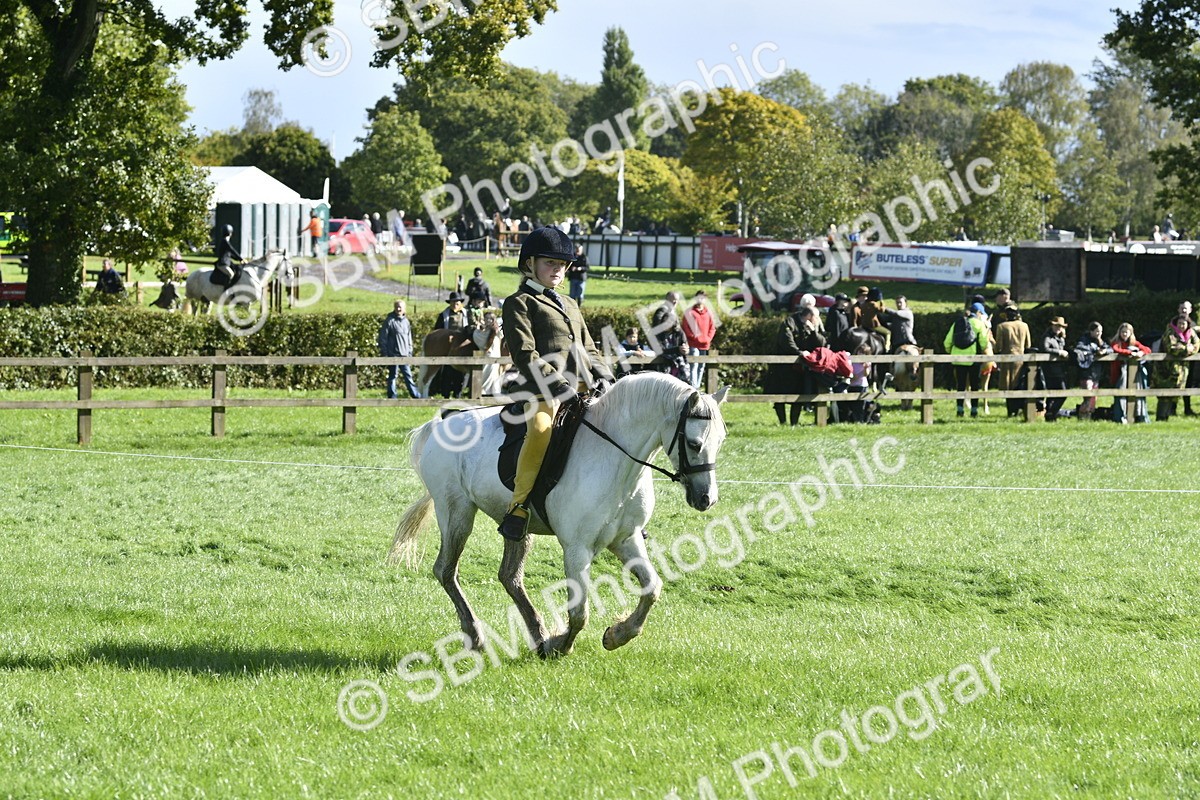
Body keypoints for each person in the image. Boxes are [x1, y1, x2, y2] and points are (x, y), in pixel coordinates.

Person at [497, 227, 615, 541]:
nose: (558, 270)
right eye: (550, 263)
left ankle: (619, 508)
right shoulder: (519, 302)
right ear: (530, 263)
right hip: (541, 389)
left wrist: (607, 377)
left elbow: (589, 349)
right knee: (540, 430)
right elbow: (525, 354)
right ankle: (518, 506)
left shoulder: (570, 303)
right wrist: (561, 386)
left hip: (583, 388)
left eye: (562, 264)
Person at [764, 306, 825, 425]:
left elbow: (822, 343)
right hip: (782, 368)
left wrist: (813, 331)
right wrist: (799, 352)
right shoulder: (789, 322)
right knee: (779, 395)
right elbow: (787, 342)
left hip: (799, 369)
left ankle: (794, 424)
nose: (818, 320)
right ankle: (782, 423)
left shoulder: (811, 326)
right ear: (809, 316)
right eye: (816, 317)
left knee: (798, 396)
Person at [943, 302, 989, 417]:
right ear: (978, 313)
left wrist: (951, 352)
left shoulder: (957, 323)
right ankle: (974, 410)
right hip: (973, 359)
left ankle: (960, 410)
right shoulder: (979, 324)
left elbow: (947, 342)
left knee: (960, 385)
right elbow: (984, 342)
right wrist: (981, 350)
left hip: (957, 359)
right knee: (974, 385)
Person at [1157, 313, 1200, 420]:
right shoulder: (1170, 333)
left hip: (1182, 370)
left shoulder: (1191, 333)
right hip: (1166, 369)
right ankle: (1161, 417)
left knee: (1175, 394)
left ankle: (1167, 416)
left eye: (1184, 324)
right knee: (1165, 394)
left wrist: (1190, 349)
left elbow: (1197, 345)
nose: (1181, 326)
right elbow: (1172, 348)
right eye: (1179, 323)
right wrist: (1186, 349)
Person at [993, 305, 1032, 416]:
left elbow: (998, 347)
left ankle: (1011, 411)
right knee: (1019, 384)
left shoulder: (1002, 326)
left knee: (1008, 385)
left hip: (1007, 361)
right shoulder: (1024, 326)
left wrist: (992, 342)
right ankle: (1019, 409)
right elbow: (1028, 344)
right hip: (1020, 360)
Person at [378, 300, 420, 399]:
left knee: (408, 376)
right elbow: (383, 338)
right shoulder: (389, 321)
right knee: (393, 376)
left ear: (404, 308)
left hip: (405, 355)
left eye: (400, 307)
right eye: (396, 307)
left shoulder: (406, 322)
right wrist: (385, 353)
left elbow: (409, 338)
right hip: (393, 354)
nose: (398, 309)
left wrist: (410, 352)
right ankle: (392, 396)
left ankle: (416, 396)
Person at [1109, 322, 1150, 424]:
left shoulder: (1134, 343)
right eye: (1122, 332)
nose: (1124, 334)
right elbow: (1116, 349)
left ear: (1131, 333)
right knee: (1120, 392)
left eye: (1126, 332)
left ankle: (1137, 415)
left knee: (1136, 392)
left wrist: (1141, 352)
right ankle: (1120, 416)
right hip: (1119, 372)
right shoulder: (1116, 342)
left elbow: (1147, 349)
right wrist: (1130, 353)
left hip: (1133, 374)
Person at [1073, 321, 1112, 421]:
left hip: (1096, 373)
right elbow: (1079, 348)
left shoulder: (1101, 342)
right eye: (1097, 331)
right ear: (1091, 331)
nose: (1099, 333)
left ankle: (1089, 416)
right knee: (1088, 396)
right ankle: (1081, 416)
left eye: (1101, 331)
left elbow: (1110, 349)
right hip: (1086, 373)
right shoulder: (1084, 340)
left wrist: (1104, 351)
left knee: (1094, 396)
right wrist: (1094, 350)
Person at [648, 291, 687, 379]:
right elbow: (657, 327)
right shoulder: (663, 309)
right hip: (664, 345)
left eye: (677, 300)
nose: (675, 302)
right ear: (667, 300)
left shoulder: (672, 310)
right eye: (673, 300)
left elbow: (678, 329)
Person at [682, 290, 716, 389]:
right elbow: (685, 327)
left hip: (705, 345)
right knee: (694, 365)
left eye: (702, 298)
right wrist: (693, 337)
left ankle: (697, 386)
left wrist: (708, 338)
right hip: (693, 344)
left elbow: (712, 328)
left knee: (701, 367)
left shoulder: (708, 313)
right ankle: (693, 388)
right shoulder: (689, 312)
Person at [1040, 317, 1071, 421]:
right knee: (1062, 392)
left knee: (1055, 393)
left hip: (1060, 369)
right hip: (1050, 369)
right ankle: (1051, 413)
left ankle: (1050, 415)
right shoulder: (1047, 336)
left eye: (1061, 326)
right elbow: (1044, 348)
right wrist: (1059, 352)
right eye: (1057, 326)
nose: (1059, 328)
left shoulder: (1061, 338)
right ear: (1052, 325)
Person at [213, 224, 244, 289]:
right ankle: (226, 291)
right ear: (230, 233)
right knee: (231, 274)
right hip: (222, 264)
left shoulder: (225, 241)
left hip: (227, 263)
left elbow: (230, 254)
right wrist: (241, 259)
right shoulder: (225, 241)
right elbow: (232, 250)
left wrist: (238, 259)